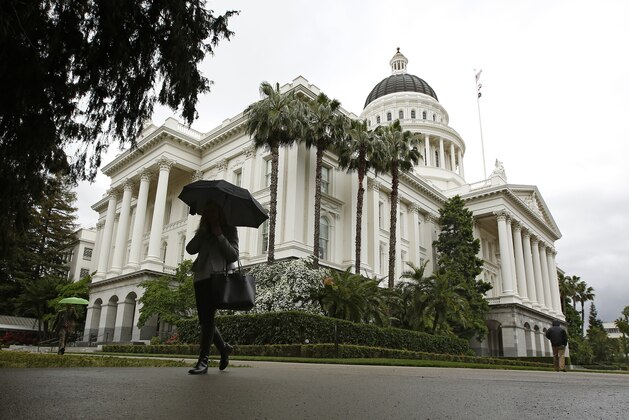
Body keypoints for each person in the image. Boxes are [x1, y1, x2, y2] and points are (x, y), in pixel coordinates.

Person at [186, 201, 239, 374]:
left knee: (207, 319)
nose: (210, 215)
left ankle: (203, 361)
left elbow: (233, 256)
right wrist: (202, 233)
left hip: (218, 279)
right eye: (207, 212)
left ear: (220, 213)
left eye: (213, 211)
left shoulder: (230, 229)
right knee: (205, 321)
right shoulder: (203, 231)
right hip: (200, 278)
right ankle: (224, 349)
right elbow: (190, 249)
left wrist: (219, 236)